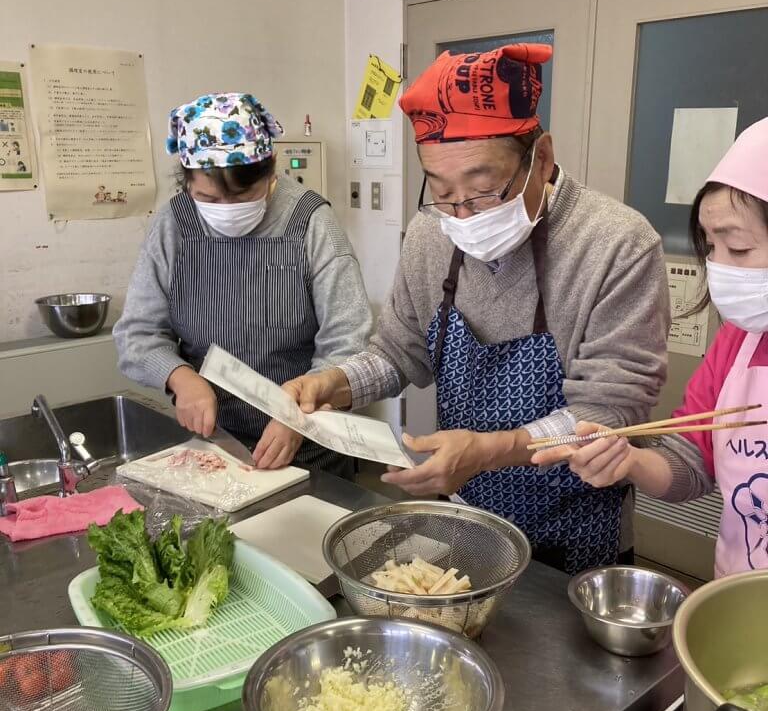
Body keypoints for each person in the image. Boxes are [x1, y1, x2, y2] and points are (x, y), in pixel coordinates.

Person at [283, 45, 670, 574]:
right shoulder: (430, 234)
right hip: (466, 515)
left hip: (575, 527)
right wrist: (337, 382)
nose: (463, 216)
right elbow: (398, 352)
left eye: (485, 191)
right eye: (443, 193)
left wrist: (489, 451)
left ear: (542, 158)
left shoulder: (616, 244)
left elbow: (610, 412)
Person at [532, 118, 768, 578]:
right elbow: (692, 463)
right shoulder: (739, 341)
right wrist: (629, 460)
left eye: (738, 248)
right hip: (738, 600)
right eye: (710, 246)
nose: (718, 267)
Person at [114, 92, 372, 475]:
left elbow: (348, 339)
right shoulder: (174, 224)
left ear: (271, 170)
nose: (227, 212)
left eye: (244, 196)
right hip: (212, 444)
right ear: (186, 180)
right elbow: (137, 332)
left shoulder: (310, 221)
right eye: (208, 198)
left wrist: (296, 416)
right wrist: (180, 378)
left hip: (308, 447)